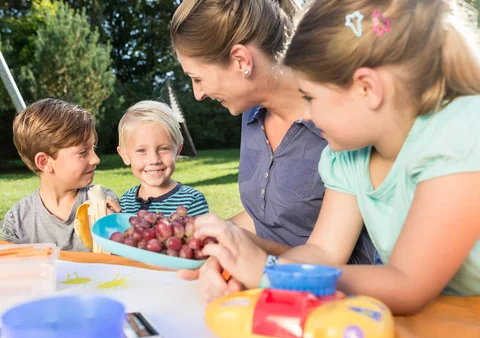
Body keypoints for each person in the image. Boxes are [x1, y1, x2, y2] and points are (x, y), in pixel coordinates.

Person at [194, 0, 480, 315]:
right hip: (438, 323)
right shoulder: (347, 157)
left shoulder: (459, 134)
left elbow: (407, 282)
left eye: (310, 97)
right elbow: (324, 253)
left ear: (367, 89)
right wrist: (239, 262)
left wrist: (269, 274)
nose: (306, 113)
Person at [169, 0, 376, 278]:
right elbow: (264, 219)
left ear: (241, 60)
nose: (198, 94)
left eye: (198, 78)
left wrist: (246, 253)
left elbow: (333, 257)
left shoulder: (341, 125)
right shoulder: (250, 112)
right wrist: (198, 234)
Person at [2, 98, 120, 251]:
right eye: (83, 152)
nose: (96, 159)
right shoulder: (17, 221)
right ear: (44, 162)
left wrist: (120, 232)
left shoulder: (106, 203)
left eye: (93, 148)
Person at [117, 100, 209, 216]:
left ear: (177, 151)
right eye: (141, 150)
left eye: (163, 149)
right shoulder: (125, 202)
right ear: (125, 155)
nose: (154, 160)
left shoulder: (192, 201)